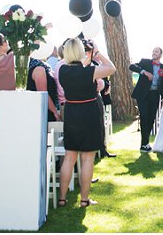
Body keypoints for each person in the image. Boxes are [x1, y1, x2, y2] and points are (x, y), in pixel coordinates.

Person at [57, 37, 116, 207]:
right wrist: (97, 53)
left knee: (69, 157)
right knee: (88, 158)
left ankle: (62, 198)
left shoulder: (62, 71)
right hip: (89, 113)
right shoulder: (89, 71)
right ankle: (84, 199)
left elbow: (76, 70)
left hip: (71, 112)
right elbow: (111, 68)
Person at [129, 47, 163, 152]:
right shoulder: (145, 62)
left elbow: (162, 86)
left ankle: (145, 143)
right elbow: (132, 66)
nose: (154, 53)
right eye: (153, 51)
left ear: (160, 54)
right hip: (143, 95)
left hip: (155, 96)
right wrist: (144, 72)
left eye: (156, 52)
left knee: (151, 119)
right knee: (144, 116)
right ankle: (144, 144)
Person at [27, 57, 61, 123]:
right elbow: (43, 94)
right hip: (44, 112)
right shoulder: (39, 69)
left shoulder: (34, 66)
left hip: (39, 110)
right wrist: (55, 112)